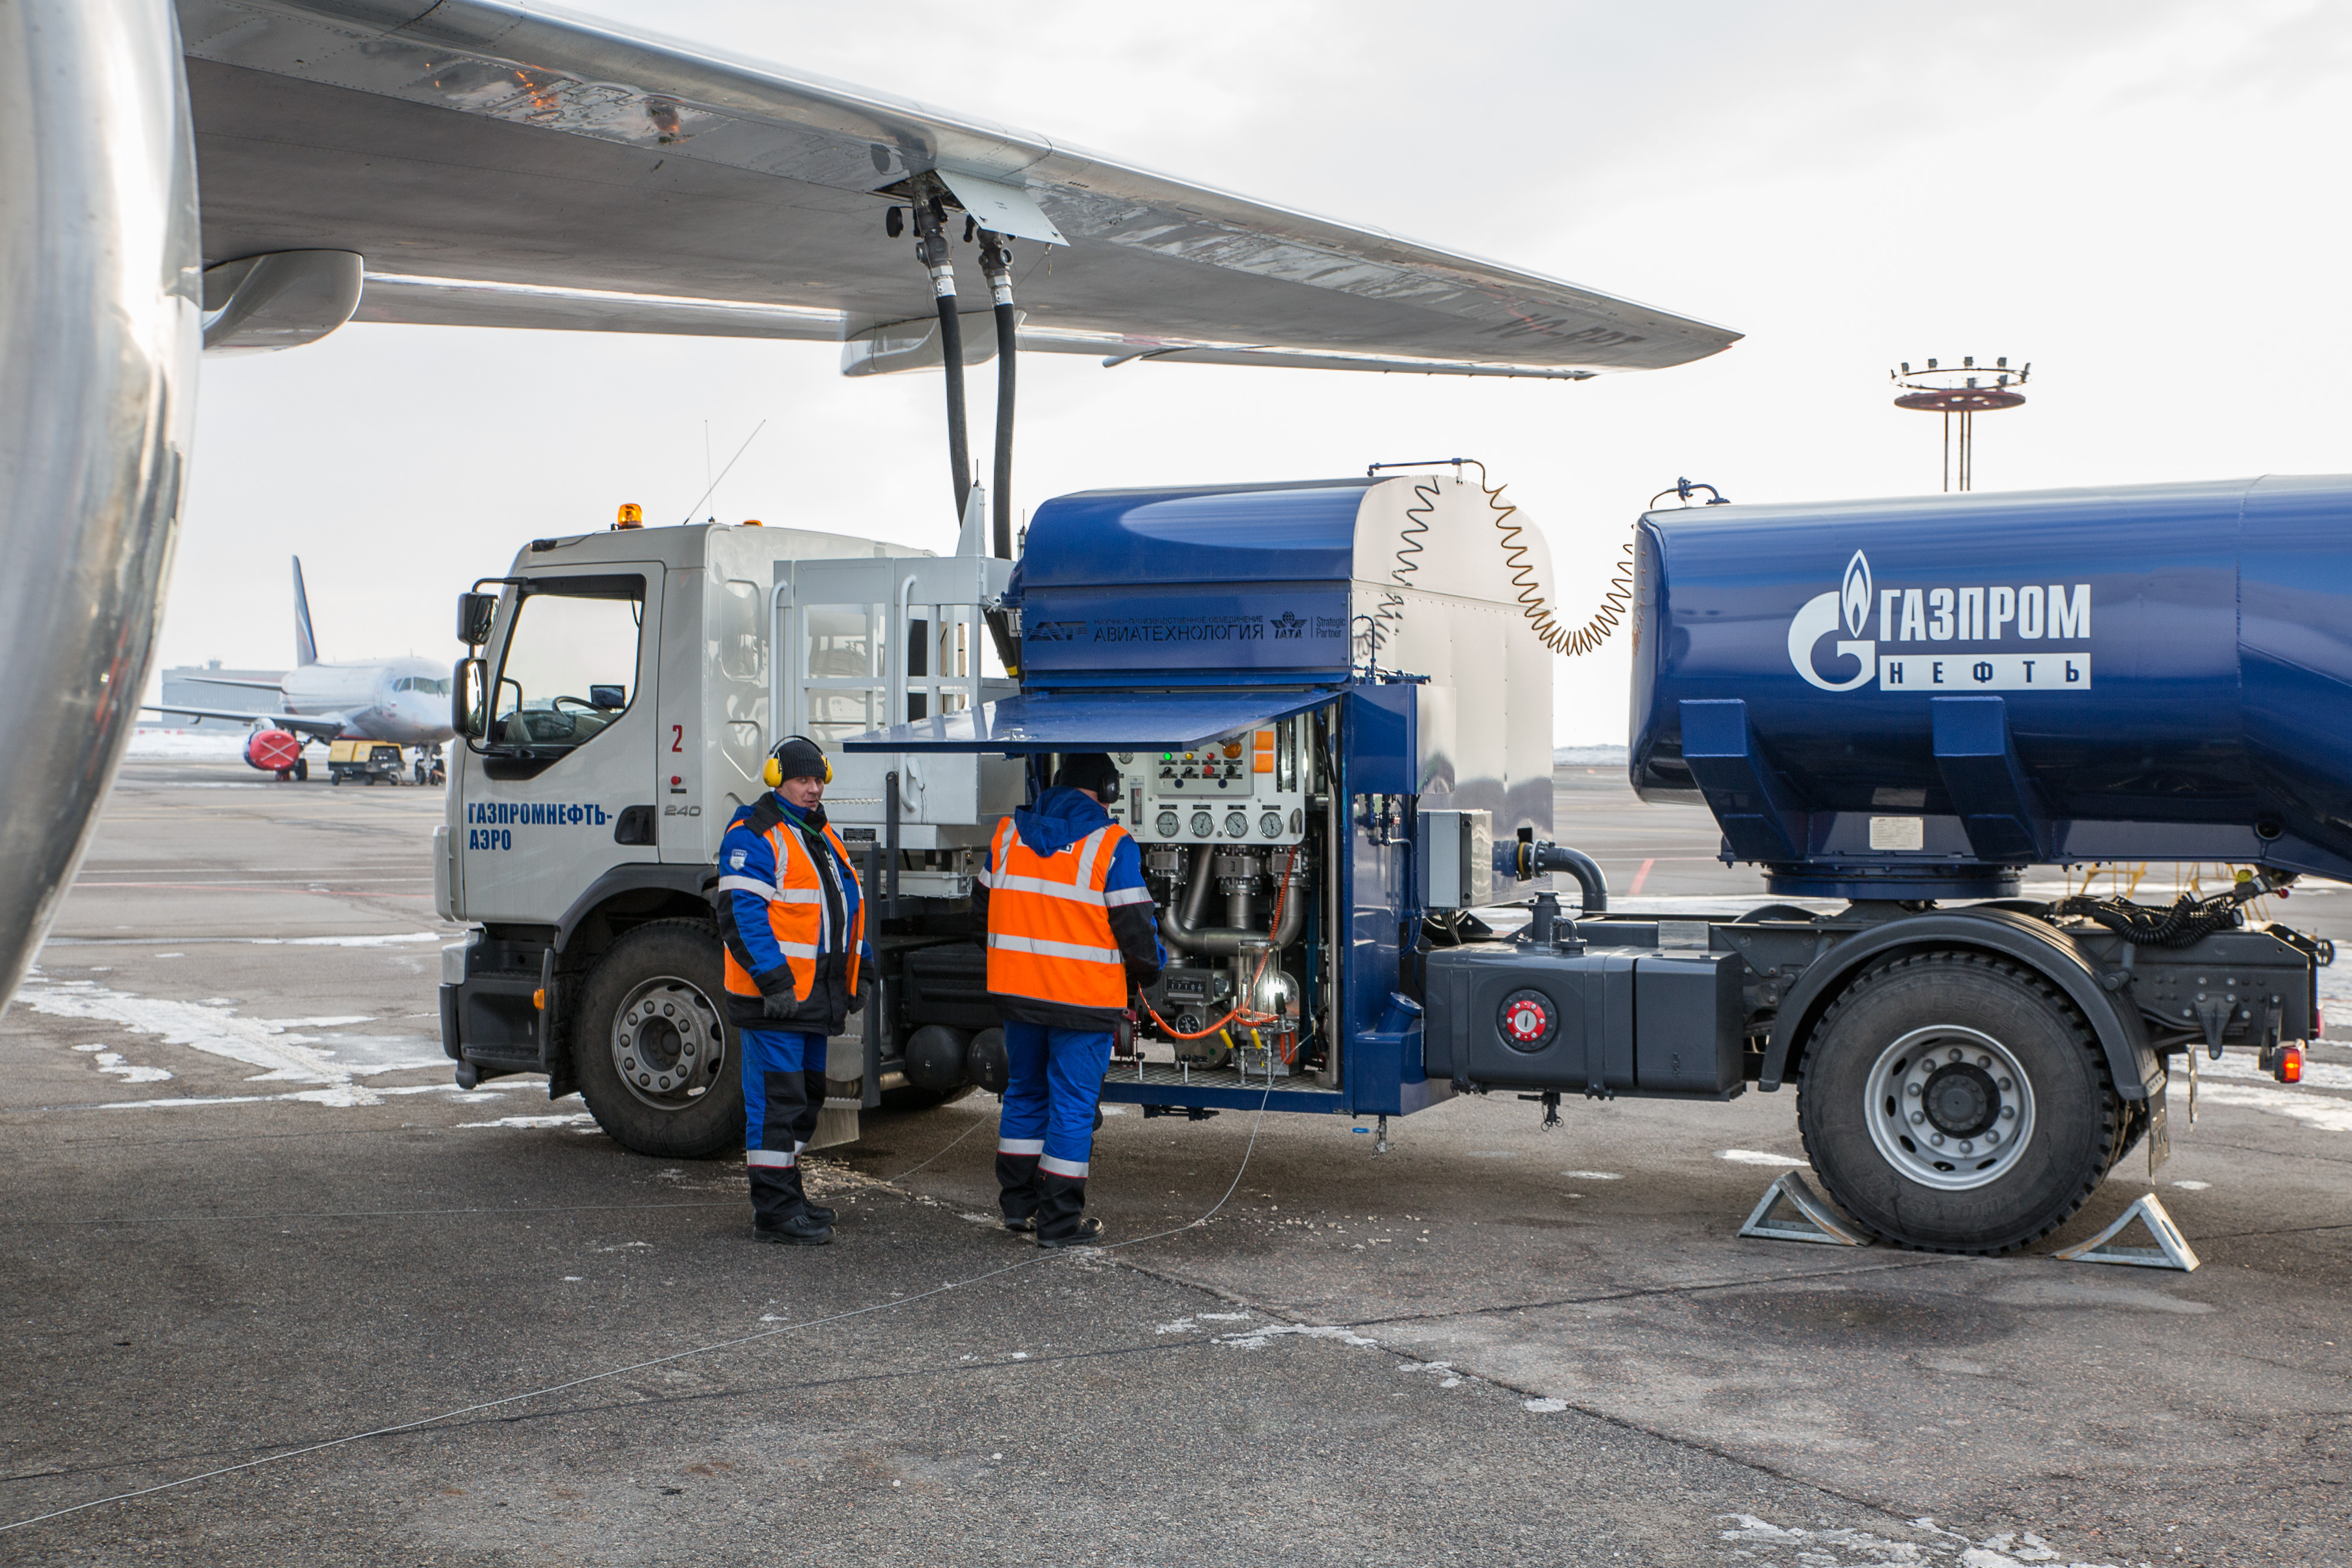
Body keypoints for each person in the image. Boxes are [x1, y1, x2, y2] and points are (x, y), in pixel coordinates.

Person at [973, 753, 1163, 1247]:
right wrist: (1150, 970)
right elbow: (1136, 927)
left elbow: (980, 913)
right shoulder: (1110, 844)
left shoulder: (1008, 835)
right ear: (1108, 788)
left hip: (1018, 995)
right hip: (1082, 1001)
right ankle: (1058, 1224)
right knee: (1073, 1106)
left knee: (1024, 1094)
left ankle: (1019, 1209)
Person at [713, 735, 871, 1245]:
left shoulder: (820, 834)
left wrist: (859, 970)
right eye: (802, 779)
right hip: (776, 1003)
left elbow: (846, 911)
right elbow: (741, 914)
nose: (813, 788)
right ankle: (775, 1212)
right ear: (778, 779)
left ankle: (788, 1195)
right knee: (776, 1104)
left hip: (812, 1002)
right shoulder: (754, 833)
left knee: (805, 1100)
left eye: (818, 779)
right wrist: (774, 981)